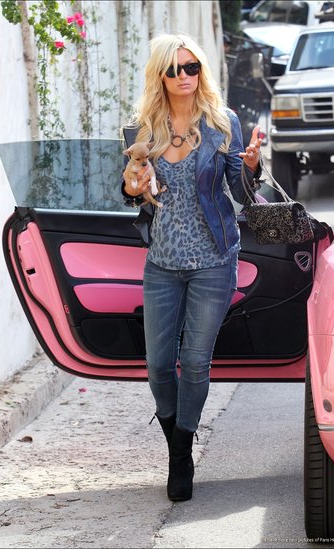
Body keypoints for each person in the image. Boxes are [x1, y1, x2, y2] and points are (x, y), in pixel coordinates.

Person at [121, 33, 262, 502]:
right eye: (174, 69)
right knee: (159, 365)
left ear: (201, 70)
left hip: (214, 259)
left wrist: (251, 166)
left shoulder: (223, 122)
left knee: (196, 361)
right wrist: (132, 185)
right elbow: (130, 191)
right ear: (159, 76)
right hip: (162, 262)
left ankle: (179, 456)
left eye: (192, 67)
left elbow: (239, 192)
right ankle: (178, 443)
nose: (184, 76)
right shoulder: (141, 130)